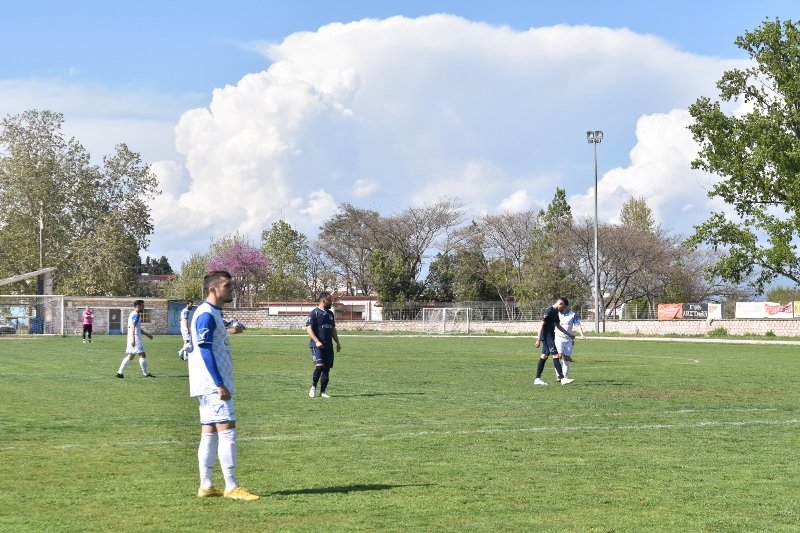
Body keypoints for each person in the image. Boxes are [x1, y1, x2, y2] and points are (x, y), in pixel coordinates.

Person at [189, 270, 259, 500]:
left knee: (209, 433)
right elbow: (205, 350)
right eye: (228, 285)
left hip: (209, 384)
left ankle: (206, 485)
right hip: (213, 386)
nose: (232, 289)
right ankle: (231, 486)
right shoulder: (206, 314)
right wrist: (219, 383)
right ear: (213, 289)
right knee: (227, 431)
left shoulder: (214, 313)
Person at [306, 291, 341, 399]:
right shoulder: (314, 313)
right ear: (323, 301)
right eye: (330, 300)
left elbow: (333, 329)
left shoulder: (330, 314)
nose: (331, 302)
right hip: (317, 345)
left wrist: (337, 342)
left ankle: (323, 392)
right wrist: (316, 341)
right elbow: (308, 328)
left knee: (326, 369)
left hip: (328, 346)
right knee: (320, 366)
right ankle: (313, 387)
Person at [534, 297, 575, 386]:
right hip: (547, 336)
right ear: (560, 303)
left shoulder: (556, 312)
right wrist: (538, 339)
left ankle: (537, 379)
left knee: (544, 356)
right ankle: (562, 378)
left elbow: (558, 326)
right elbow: (541, 324)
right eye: (563, 307)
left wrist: (569, 334)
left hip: (551, 336)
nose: (563, 309)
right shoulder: (549, 311)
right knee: (556, 355)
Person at [116, 300, 155, 378]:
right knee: (142, 354)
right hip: (136, 337)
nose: (144, 307)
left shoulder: (133, 314)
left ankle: (120, 373)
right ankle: (146, 373)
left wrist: (147, 334)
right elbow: (133, 327)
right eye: (142, 305)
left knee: (131, 355)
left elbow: (137, 328)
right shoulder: (136, 314)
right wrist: (133, 339)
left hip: (133, 336)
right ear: (138, 306)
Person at [554, 303, 586, 382]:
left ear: (565, 306)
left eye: (561, 305)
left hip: (568, 339)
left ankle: (564, 376)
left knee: (567, 358)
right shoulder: (556, 314)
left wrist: (582, 335)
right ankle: (559, 375)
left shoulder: (572, 314)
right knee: (559, 355)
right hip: (558, 337)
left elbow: (577, 325)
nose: (559, 307)